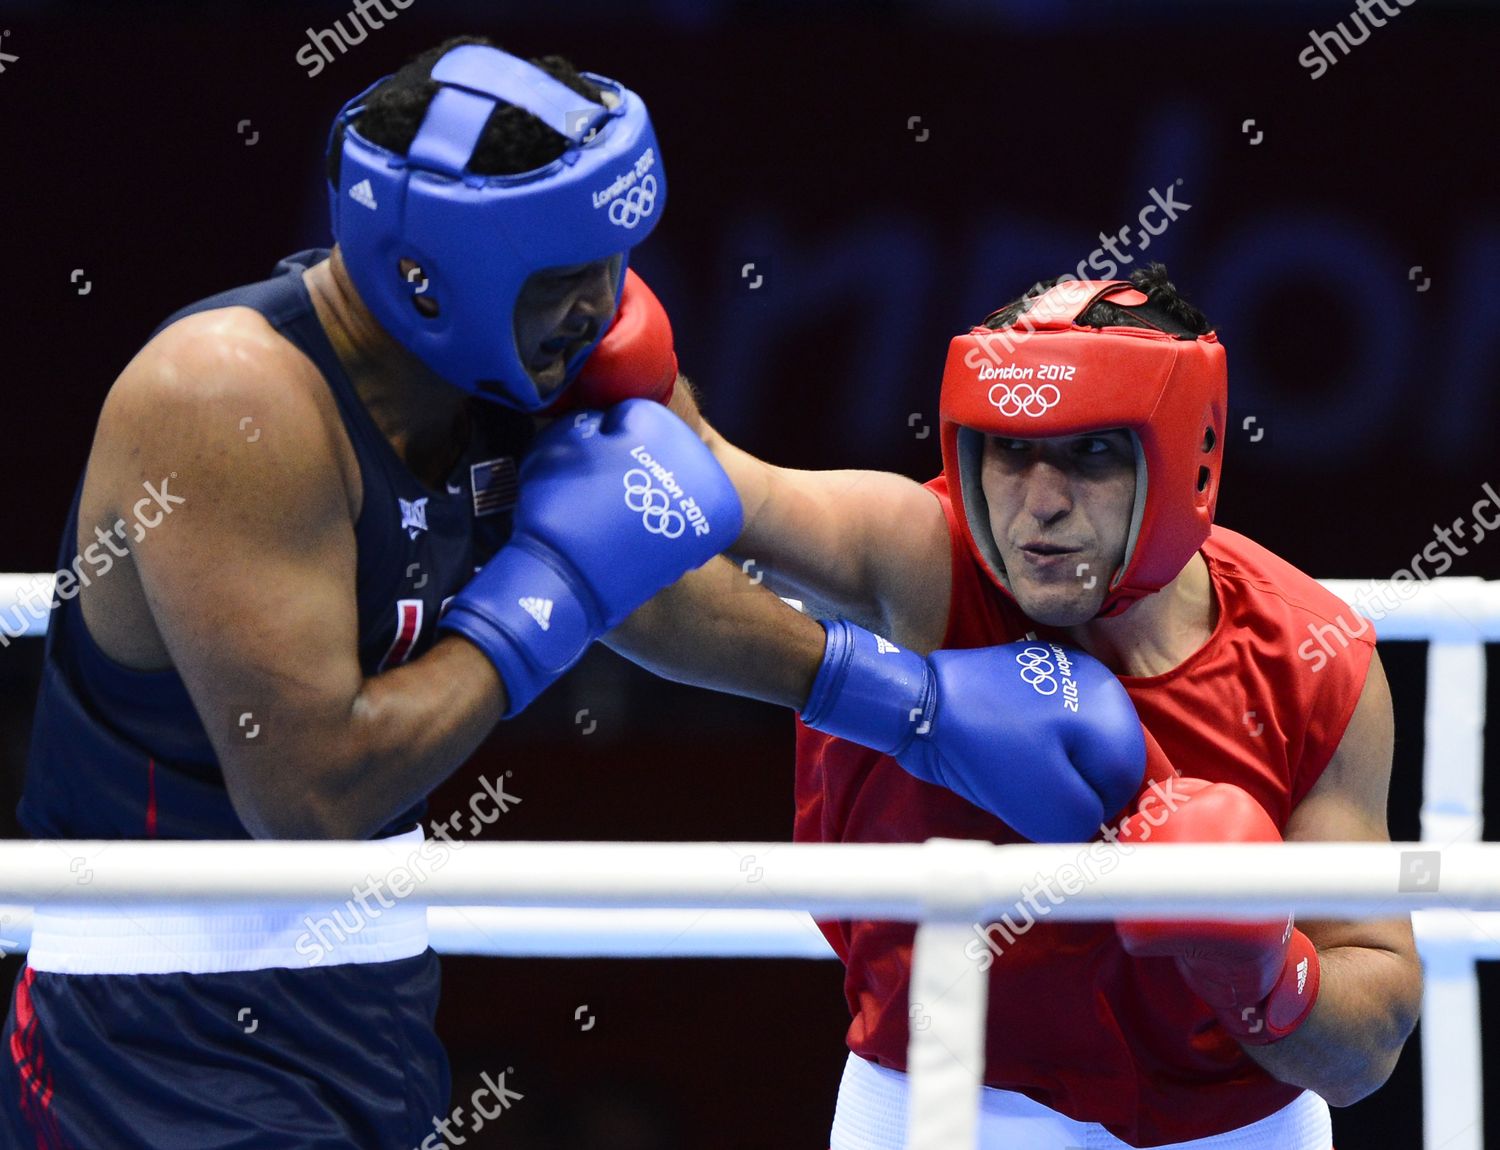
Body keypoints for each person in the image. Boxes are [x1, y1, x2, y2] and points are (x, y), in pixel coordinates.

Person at [0, 36, 742, 1148]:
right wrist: (552, 587)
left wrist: (900, 696)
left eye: (615, 258)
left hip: (370, 1012)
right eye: (564, 271)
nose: (604, 304)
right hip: (148, 1044)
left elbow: (707, 542)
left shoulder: (510, 369)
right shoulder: (227, 399)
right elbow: (310, 799)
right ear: (430, 272)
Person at [611, 265, 1422, 1148]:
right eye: (1010, 448)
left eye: (1092, 452)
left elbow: (1364, 1056)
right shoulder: (921, 561)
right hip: (937, 1101)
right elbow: (698, 487)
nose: (1040, 506)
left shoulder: (1310, 660)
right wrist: (608, 341)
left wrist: (1264, 970)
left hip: (1232, 1127)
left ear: (1188, 451)